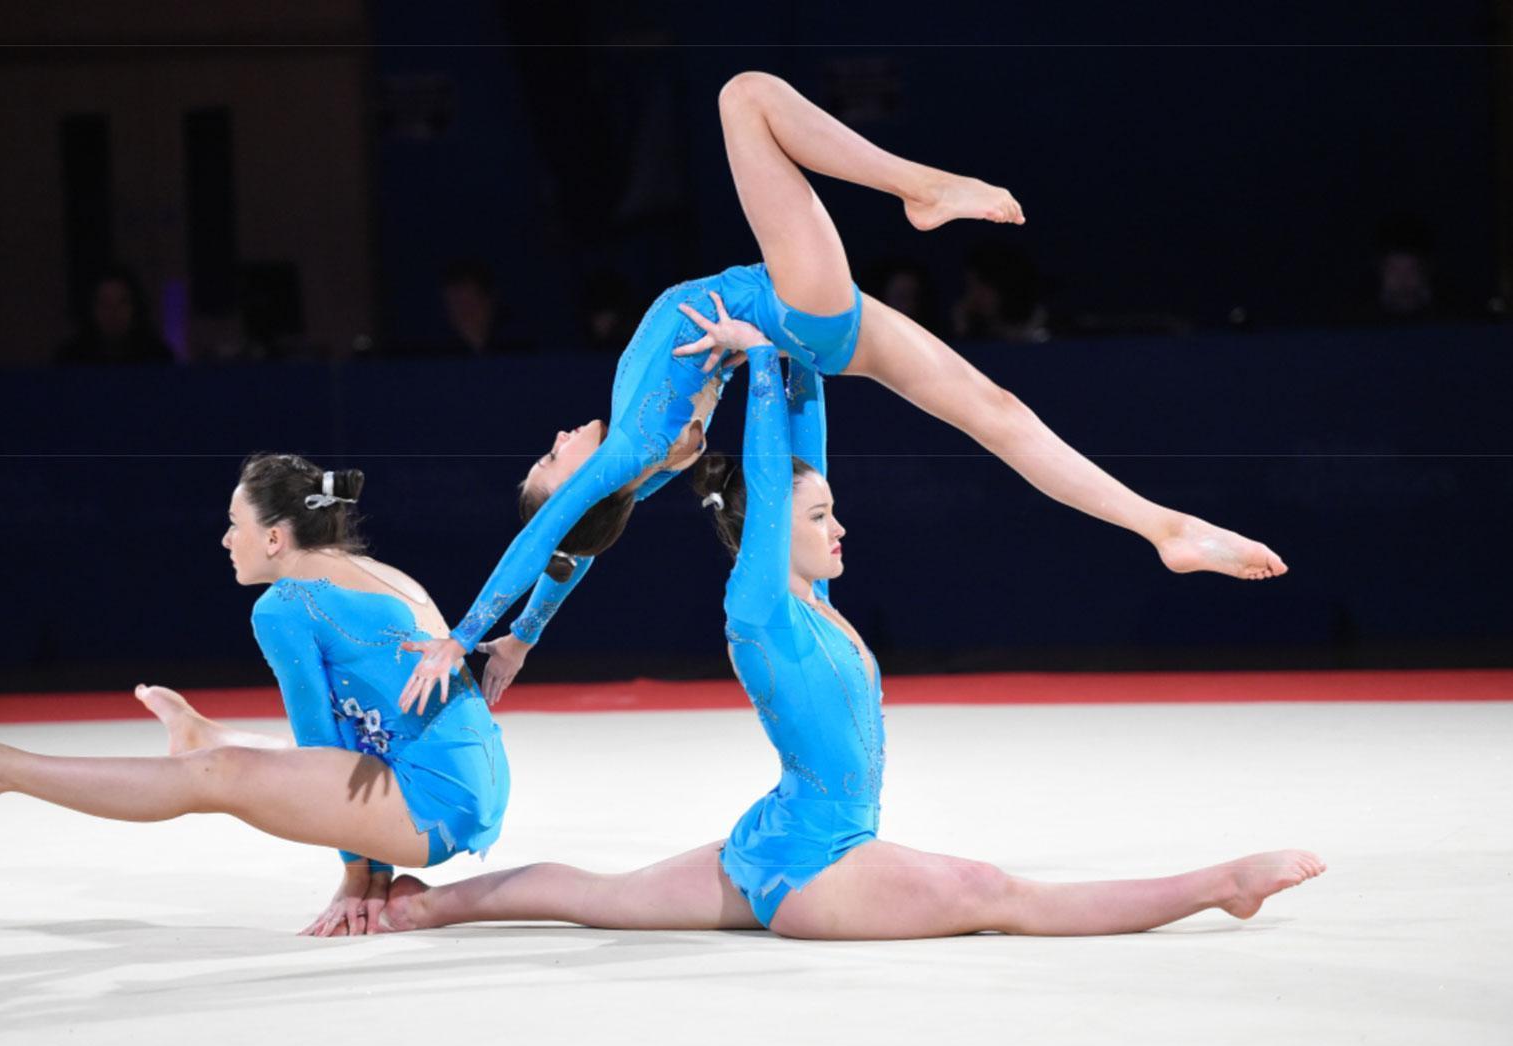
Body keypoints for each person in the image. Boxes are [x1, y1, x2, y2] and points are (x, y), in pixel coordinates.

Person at [376, 319, 1325, 939]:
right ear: (772, 536)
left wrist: (787, 350)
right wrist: (747, 363)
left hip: (770, 837)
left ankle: (429, 910)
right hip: (818, 869)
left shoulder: (810, 603)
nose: (840, 526)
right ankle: (1220, 883)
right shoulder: (761, 608)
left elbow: (798, 440)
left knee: (589, 895)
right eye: (821, 517)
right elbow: (769, 459)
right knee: (996, 895)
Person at [402, 71, 1286, 712]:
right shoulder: (633, 455)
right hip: (793, 306)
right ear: (576, 486)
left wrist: (525, 636)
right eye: (553, 458)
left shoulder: (653, 467)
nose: (558, 438)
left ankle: (1163, 528)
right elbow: (553, 538)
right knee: (743, 96)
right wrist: (465, 630)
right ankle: (921, 187)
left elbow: (568, 553)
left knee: (1000, 415)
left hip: (813, 334)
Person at [0, 454, 509, 937]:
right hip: (474, 785)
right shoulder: (378, 570)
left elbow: (319, 750)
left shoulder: (286, 606)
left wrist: (358, 876)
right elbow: (355, 741)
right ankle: (203, 733)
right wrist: (372, 866)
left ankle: (2, 769)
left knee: (218, 776)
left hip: (433, 807)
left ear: (273, 539)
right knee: (240, 759)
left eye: (234, 525)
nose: (224, 539)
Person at [55, 265, 175, 364]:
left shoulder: (157, 358)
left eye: (122, 303)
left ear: (135, 307)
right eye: (104, 303)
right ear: (90, 309)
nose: (113, 312)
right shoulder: (71, 360)